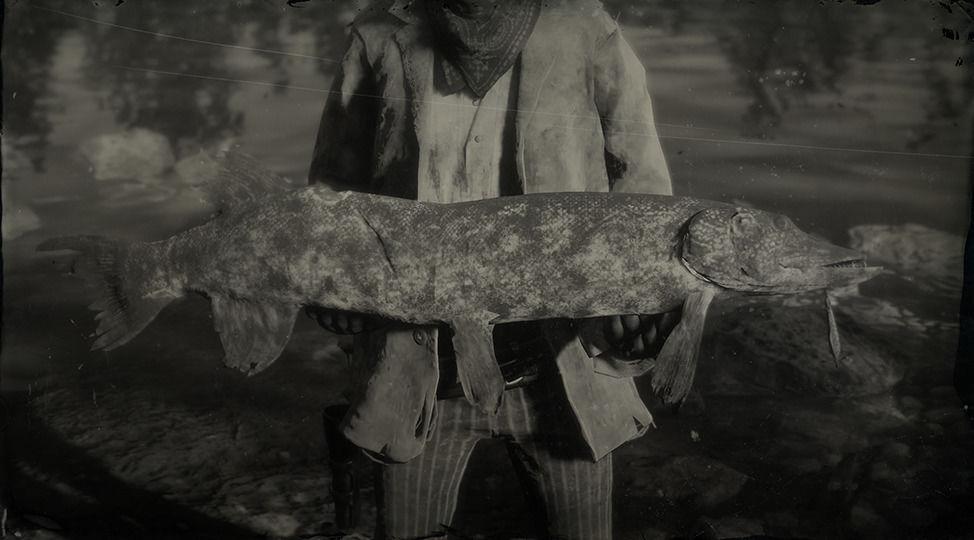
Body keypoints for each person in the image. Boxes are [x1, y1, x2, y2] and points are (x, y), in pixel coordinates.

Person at [306, 0, 678, 538]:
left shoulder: (585, 28)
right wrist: (332, 284)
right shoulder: (377, 36)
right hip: (419, 375)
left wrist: (638, 303)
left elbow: (645, 194)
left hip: (562, 375)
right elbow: (331, 198)